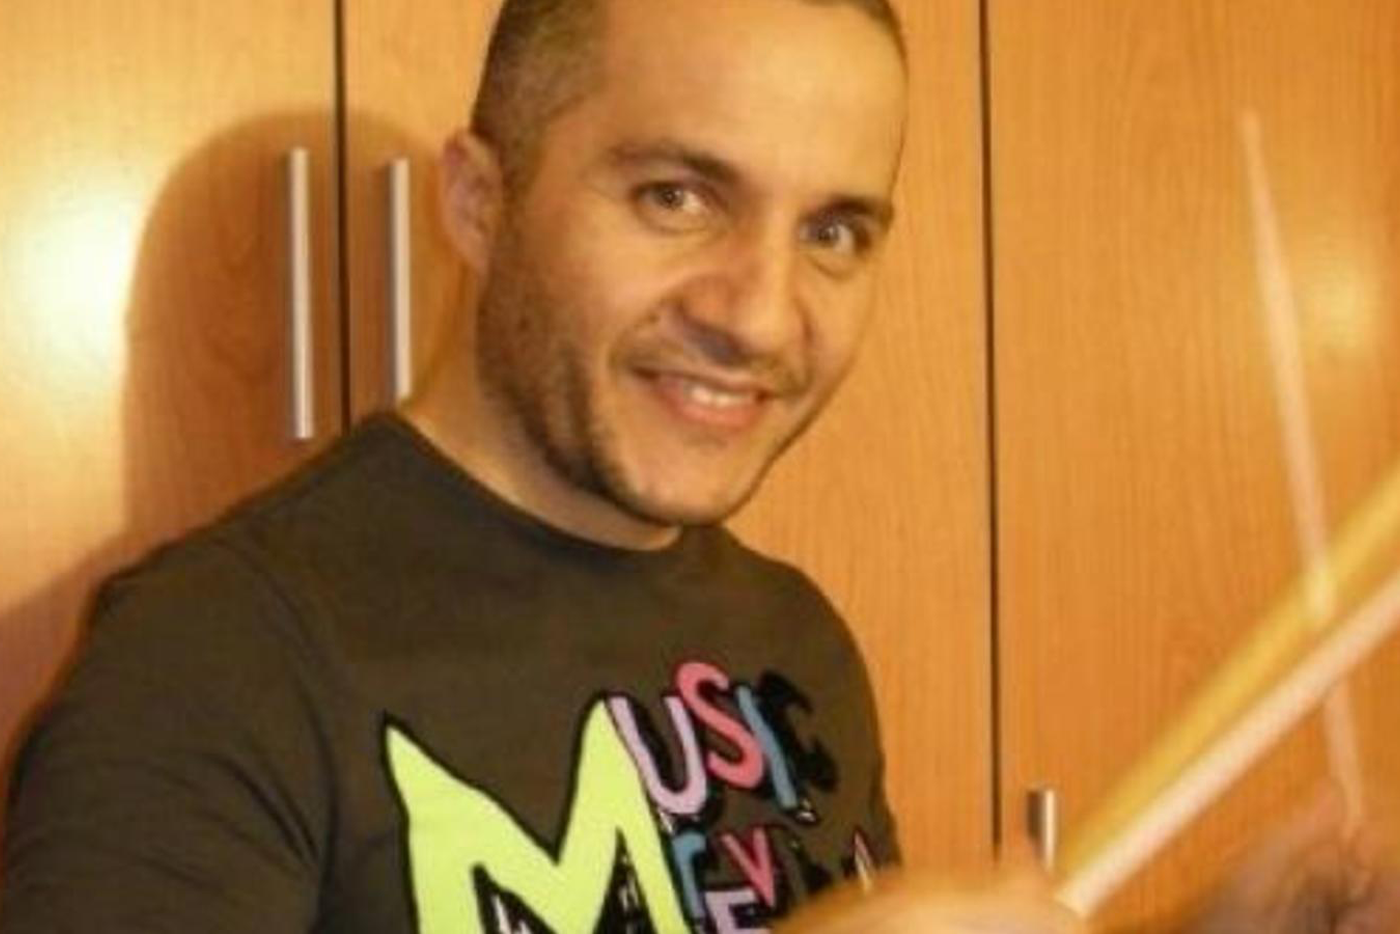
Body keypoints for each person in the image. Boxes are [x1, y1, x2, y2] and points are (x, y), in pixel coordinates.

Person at [0, 0, 1394, 932]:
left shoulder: (793, 640)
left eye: (834, 232)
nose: (761, 315)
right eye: (677, 196)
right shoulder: (212, 659)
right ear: (479, 203)